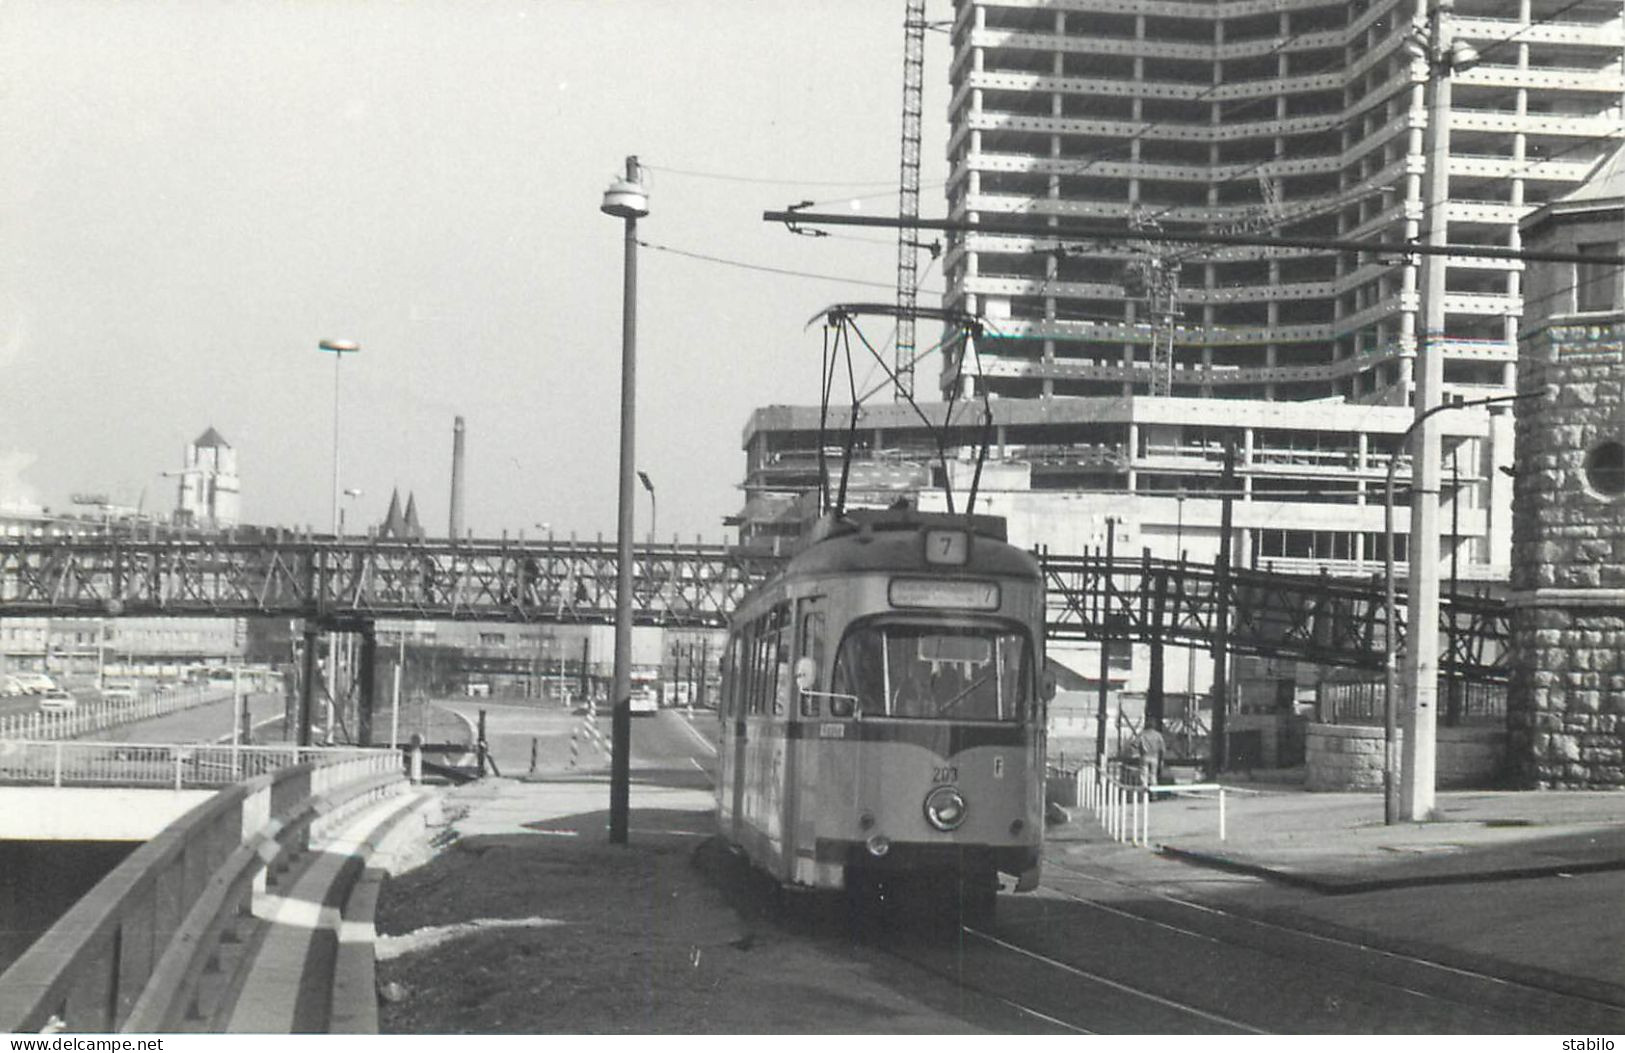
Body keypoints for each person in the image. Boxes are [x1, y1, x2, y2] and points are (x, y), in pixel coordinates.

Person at [1132, 720, 1166, 791]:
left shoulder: (1142, 734)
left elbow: (1134, 744)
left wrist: (1137, 752)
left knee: (1144, 774)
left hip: (1145, 756)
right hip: (1155, 757)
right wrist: (1162, 759)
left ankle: (1144, 791)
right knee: (1153, 774)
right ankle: (1154, 792)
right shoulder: (1158, 735)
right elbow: (1162, 748)